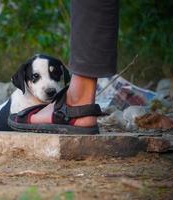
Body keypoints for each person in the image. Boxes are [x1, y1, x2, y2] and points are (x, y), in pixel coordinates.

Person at [8, 0, 118, 134]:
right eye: (36, 77)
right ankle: (80, 107)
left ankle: (78, 105)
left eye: (54, 75)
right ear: (23, 81)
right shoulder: (19, 103)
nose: (49, 87)